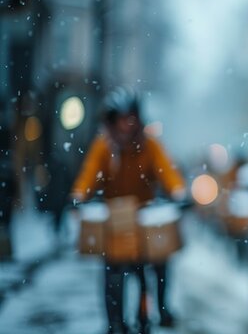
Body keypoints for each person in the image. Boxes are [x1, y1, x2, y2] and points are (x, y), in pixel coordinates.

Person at [71, 88, 185, 334]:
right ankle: (114, 322)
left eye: (131, 118)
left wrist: (178, 193)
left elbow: (168, 172)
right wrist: (79, 196)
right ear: (112, 121)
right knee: (112, 274)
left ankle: (156, 310)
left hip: (144, 216)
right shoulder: (104, 146)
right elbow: (88, 174)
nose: (127, 124)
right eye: (121, 119)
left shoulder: (150, 145)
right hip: (115, 219)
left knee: (158, 263)